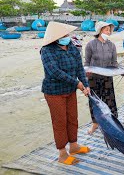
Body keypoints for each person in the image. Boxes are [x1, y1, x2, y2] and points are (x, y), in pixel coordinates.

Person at [40, 22, 91, 165]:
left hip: (70, 90)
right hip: (54, 91)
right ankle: (62, 153)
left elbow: (80, 67)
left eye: (66, 34)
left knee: (72, 118)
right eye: (63, 35)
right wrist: (77, 84)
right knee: (60, 121)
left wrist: (85, 84)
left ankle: (74, 146)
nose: (66, 37)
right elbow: (54, 72)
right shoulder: (47, 50)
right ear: (55, 37)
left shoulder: (72, 47)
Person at [84, 21, 118, 134]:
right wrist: (86, 73)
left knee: (110, 101)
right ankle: (95, 123)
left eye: (109, 30)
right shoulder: (90, 45)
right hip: (93, 78)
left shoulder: (112, 45)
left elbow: (114, 63)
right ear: (99, 31)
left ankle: (113, 123)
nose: (108, 32)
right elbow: (87, 63)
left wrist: (120, 71)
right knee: (94, 101)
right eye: (106, 29)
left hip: (107, 77)